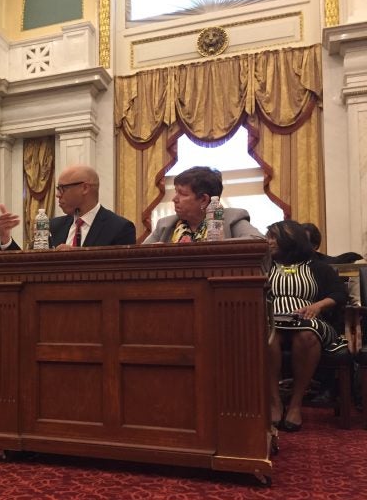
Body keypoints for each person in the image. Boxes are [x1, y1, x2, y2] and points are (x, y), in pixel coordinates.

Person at [266, 220, 347, 432]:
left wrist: (318, 305)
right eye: (269, 237)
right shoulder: (264, 265)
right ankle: (275, 402)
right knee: (266, 337)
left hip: (309, 320)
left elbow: (340, 294)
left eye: (274, 237)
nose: (269, 241)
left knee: (306, 335)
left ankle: (295, 405)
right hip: (271, 319)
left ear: (290, 240)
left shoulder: (318, 267)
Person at [0, 164, 136, 250]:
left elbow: (122, 276)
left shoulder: (120, 228)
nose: (57, 195)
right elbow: (29, 267)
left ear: (85, 188)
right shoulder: (53, 226)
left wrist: (78, 258)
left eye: (62, 189)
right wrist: (5, 238)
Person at [143, 166, 263, 243]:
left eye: (182, 194)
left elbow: (259, 242)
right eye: (176, 192)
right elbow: (139, 255)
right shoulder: (165, 225)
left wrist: (219, 245)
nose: (174, 199)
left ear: (204, 200)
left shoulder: (232, 218)